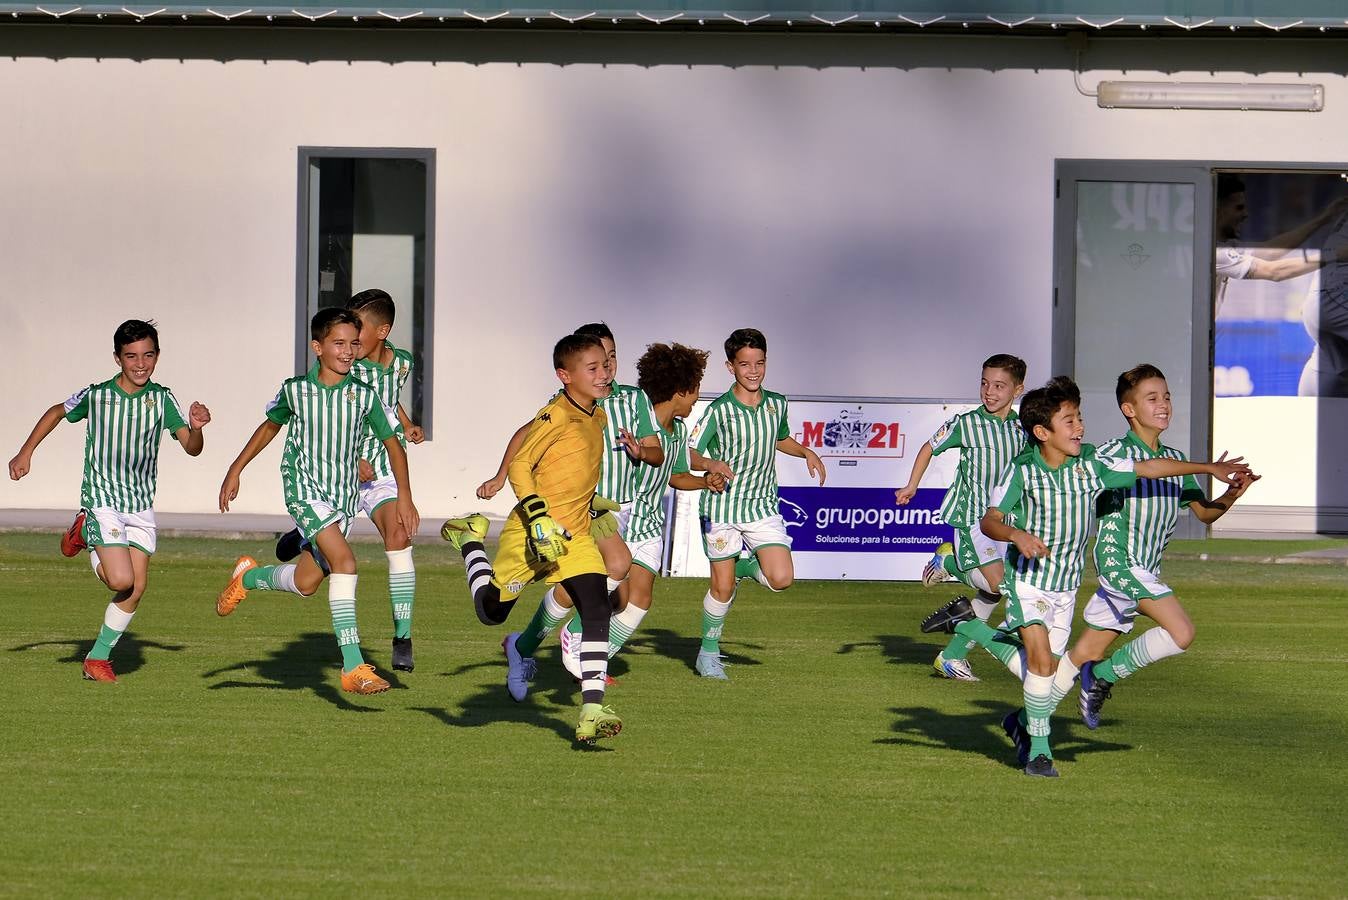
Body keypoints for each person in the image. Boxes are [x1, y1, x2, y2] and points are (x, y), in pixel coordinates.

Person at [927, 376, 1250, 777]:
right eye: (1070, 421)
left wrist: (1210, 470)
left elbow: (1154, 472)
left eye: (1079, 418)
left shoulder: (1093, 463)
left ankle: (973, 631)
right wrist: (1017, 535)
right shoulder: (1024, 470)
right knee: (1046, 664)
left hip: (1067, 586)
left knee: (1041, 671)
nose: (1080, 427)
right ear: (1042, 432)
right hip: (1033, 579)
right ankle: (1040, 754)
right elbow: (991, 521)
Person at [216, 308, 419, 695]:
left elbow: (395, 446)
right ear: (317, 347)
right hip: (305, 490)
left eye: (353, 343)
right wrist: (235, 468)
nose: (347, 351)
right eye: (338, 343)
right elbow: (269, 426)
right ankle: (353, 667)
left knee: (306, 582)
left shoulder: (364, 395)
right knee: (345, 561)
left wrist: (405, 497)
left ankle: (248, 578)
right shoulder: (295, 390)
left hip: (342, 497)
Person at [440, 333, 623, 743]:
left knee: (596, 606)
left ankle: (591, 710)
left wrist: (592, 503)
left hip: (572, 537)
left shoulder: (598, 415)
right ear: (565, 375)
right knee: (492, 613)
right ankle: (470, 541)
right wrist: (539, 516)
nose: (603, 373)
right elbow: (522, 466)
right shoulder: (555, 415)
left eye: (605, 365)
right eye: (592, 368)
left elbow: (569, 470)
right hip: (529, 535)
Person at [8, 319, 210, 683]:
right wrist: (26, 453)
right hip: (102, 500)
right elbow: (56, 411)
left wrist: (196, 428)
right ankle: (87, 531)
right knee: (120, 580)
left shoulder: (163, 398)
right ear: (117, 358)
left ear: (157, 356)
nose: (140, 363)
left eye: (148, 355)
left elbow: (192, 449)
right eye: (131, 356)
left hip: (141, 506)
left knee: (136, 588)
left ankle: (97, 659)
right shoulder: (97, 395)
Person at [1073, 364, 1259, 728]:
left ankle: (1030, 716)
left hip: (1145, 570)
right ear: (1129, 409)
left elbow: (1204, 514)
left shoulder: (1175, 459)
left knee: (1079, 657)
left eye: (1167, 397)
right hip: (1119, 563)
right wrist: (1207, 467)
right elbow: (1149, 468)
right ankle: (1103, 676)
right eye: (1152, 398)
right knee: (1182, 631)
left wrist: (1235, 491)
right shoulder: (1113, 451)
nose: (1164, 405)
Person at [274, 289, 426, 671]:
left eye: (360, 330)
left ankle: (402, 637)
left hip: (382, 472)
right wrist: (352, 456)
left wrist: (406, 425)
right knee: (311, 581)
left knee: (399, 535)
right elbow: (319, 408)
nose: (351, 340)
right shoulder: (340, 363)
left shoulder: (402, 364)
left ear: (383, 332)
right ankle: (294, 545)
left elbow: (387, 402)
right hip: (339, 472)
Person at [558, 342, 724, 678]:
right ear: (681, 390)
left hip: (651, 527)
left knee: (640, 601)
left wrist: (705, 481)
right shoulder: (641, 427)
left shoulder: (675, 435)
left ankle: (594, 660)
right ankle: (562, 636)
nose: (696, 399)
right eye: (695, 391)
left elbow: (677, 476)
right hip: (625, 522)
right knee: (607, 598)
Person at [690, 328, 825, 680]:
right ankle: (707, 653)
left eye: (759, 363)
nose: (753, 371)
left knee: (781, 579)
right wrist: (711, 465)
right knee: (721, 588)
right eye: (745, 364)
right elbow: (690, 453)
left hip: (762, 508)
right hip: (721, 508)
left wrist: (806, 451)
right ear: (730, 366)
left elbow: (780, 438)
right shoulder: (719, 410)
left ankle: (744, 570)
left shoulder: (777, 403)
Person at [896, 353, 1027, 682]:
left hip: (1004, 521)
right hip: (971, 517)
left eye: (999, 385)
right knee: (1000, 585)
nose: (989, 391)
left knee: (993, 593)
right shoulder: (965, 423)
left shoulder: (1022, 428)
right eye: (985, 383)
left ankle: (951, 658)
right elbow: (929, 447)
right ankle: (950, 565)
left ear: (1018, 390)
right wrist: (912, 484)